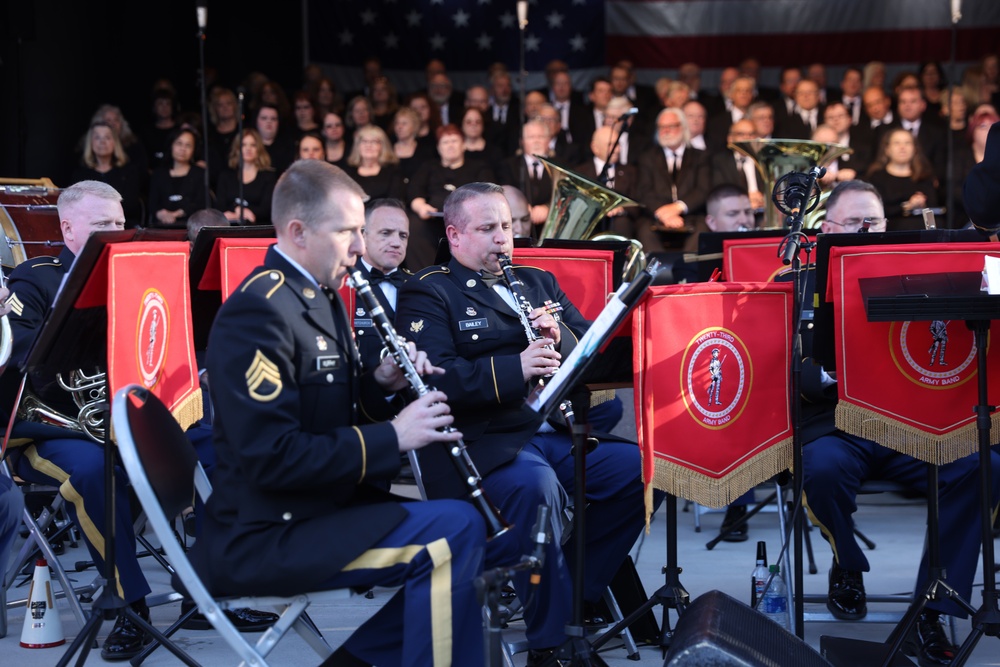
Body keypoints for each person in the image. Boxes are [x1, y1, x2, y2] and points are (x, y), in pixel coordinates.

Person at [193, 160, 486, 666]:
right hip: (266, 534)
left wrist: (379, 385)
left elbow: (328, 411)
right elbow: (272, 458)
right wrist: (393, 436)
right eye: (348, 232)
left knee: (470, 527)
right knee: (451, 536)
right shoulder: (258, 312)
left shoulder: (318, 293)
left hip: (314, 508)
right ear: (297, 231)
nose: (358, 246)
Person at [396, 182, 658, 666]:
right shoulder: (428, 290)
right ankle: (552, 646)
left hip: (549, 431)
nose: (503, 238)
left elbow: (593, 354)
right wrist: (517, 367)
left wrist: (564, 336)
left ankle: (573, 597)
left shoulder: (537, 280)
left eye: (508, 227)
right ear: (454, 236)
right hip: (481, 443)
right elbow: (435, 377)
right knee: (534, 488)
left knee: (641, 469)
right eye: (488, 228)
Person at [801, 179, 1000, 667]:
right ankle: (848, 563)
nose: (868, 230)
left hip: (909, 423)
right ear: (827, 229)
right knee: (820, 468)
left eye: (876, 221)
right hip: (840, 422)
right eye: (855, 223)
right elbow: (791, 365)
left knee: (982, 466)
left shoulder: (914, 271)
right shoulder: (804, 279)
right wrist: (829, 376)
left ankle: (934, 607)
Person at [0, 181, 149, 659]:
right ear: (67, 228)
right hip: (49, 429)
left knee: (209, 443)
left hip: (122, 419)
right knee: (92, 472)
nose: (115, 234)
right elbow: (20, 355)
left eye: (119, 224)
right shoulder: (37, 278)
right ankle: (130, 608)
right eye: (101, 225)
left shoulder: (136, 274)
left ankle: (216, 593)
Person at [407, 124, 494, 270]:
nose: (450, 146)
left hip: (468, 221)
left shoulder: (479, 167)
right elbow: (414, 192)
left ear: (463, 145)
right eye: (445, 142)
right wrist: (422, 207)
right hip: (433, 220)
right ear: (438, 147)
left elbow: (488, 195)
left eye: (454, 141)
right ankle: (426, 273)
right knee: (413, 226)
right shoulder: (428, 167)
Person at [352, 198, 413, 372]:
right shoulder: (341, 285)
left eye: (403, 235)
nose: (396, 242)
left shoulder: (420, 285)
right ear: (363, 235)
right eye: (386, 233)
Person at [71, 121, 146, 228]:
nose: (102, 142)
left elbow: (130, 205)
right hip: (90, 227)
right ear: (90, 143)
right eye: (97, 138)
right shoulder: (80, 174)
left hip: (123, 226)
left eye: (107, 137)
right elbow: (76, 205)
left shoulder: (129, 171)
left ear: (114, 142)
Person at [865, 127, 938, 231]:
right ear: (887, 149)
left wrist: (923, 204)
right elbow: (875, 211)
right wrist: (907, 206)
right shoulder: (876, 177)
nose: (902, 147)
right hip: (889, 232)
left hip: (920, 232)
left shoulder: (925, 176)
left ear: (915, 148)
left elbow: (934, 207)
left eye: (907, 143)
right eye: (896, 143)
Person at [147, 126, 209, 229]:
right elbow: (152, 203)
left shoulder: (199, 173)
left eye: (188, 145)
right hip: (161, 227)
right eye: (179, 143)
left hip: (191, 227)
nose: (182, 149)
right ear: (171, 145)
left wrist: (177, 214)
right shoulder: (159, 174)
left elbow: (202, 203)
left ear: (194, 150)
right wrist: (161, 213)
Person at [214, 128, 278, 226]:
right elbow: (220, 208)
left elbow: (267, 209)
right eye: (243, 145)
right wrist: (238, 210)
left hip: (259, 229)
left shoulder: (268, 176)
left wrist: (240, 212)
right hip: (230, 229)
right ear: (237, 149)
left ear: (259, 149)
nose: (248, 148)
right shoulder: (226, 176)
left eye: (253, 145)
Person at [344, 125, 403, 202]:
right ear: (357, 146)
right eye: (364, 141)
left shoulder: (393, 171)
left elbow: (395, 201)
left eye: (374, 142)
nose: (368, 145)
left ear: (382, 146)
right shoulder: (348, 172)